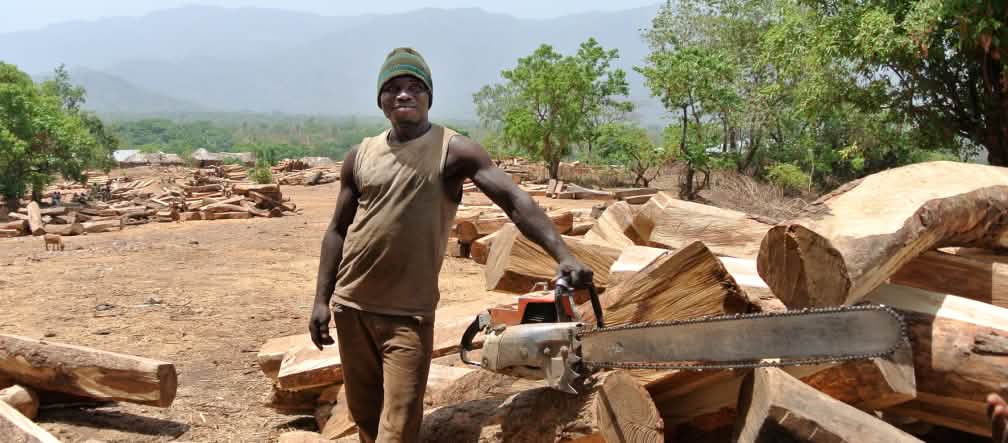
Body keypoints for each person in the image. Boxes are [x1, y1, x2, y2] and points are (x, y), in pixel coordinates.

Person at [308, 47, 593, 443]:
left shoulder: (454, 150)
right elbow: (337, 230)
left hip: (408, 316)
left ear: (429, 97)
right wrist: (322, 299)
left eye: (414, 87)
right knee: (367, 419)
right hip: (353, 306)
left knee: (400, 424)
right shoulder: (360, 155)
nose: (404, 94)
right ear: (381, 100)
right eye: (393, 88)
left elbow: (515, 201)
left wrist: (563, 254)